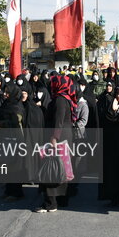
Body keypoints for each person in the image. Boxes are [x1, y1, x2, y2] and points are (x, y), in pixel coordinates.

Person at [35, 75, 75, 212]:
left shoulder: (59, 100)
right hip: (64, 137)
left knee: (51, 169)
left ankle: (50, 203)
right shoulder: (66, 98)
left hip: (58, 138)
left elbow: (58, 120)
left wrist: (54, 137)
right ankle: (62, 199)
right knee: (61, 168)